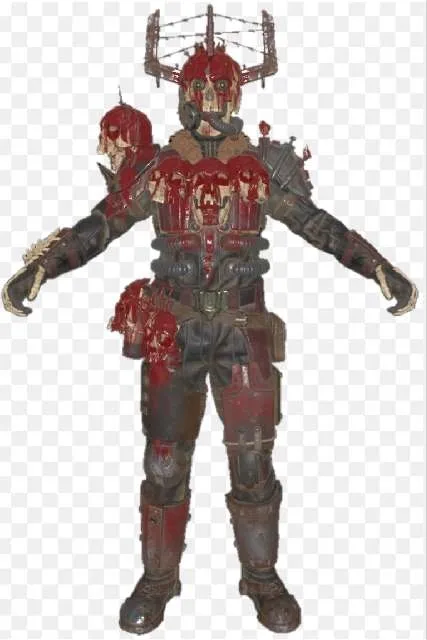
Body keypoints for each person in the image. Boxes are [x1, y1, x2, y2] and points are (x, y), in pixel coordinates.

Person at [2, 8, 417, 636]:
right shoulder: (160, 172)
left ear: (237, 97)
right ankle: (158, 579)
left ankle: (261, 577)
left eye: (219, 92)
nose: (207, 105)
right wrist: (42, 268)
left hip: (243, 330)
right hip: (173, 330)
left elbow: (318, 226)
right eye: (197, 92)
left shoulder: (259, 172)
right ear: (182, 96)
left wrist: (377, 266)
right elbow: (101, 224)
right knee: (165, 462)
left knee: (253, 463)